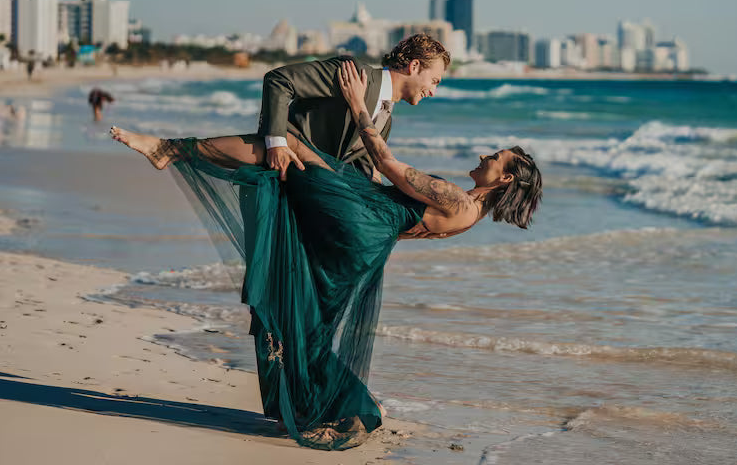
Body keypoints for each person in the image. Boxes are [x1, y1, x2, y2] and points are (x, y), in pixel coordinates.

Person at [108, 64, 543, 451]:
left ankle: (172, 150)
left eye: (494, 158)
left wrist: (357, 104)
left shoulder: (457, 200)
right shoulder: (468, 214)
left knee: (290, 145)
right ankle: (338, 404)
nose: (484, 156)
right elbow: (398, 203)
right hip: (367, 233)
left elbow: (386, 162)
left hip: (363, 224)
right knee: (309, 324)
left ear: (504, 179)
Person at [257, 33, 449, 182]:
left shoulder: (385, 122)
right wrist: (277, 144)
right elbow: (279, 80)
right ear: (414, 66)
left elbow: (362, 168)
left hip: (306, 187)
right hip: (272, 169)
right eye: (434, 81)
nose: (433, 92)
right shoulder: (353, 74)